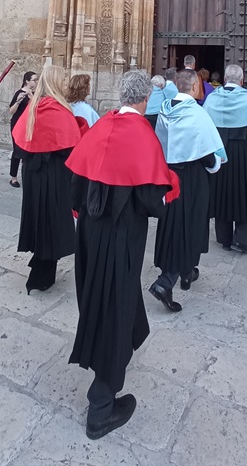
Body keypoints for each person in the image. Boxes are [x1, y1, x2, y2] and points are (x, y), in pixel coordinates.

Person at [66, 70, 180, 440]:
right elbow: (152, 200)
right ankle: (101, 405)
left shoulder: (101, 127)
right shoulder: (142, 135)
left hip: (89, 234)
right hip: (120, 239)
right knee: (116, 308)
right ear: (146, 99)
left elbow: (76, 184)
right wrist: (171, 191)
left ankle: (105, 369)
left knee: (103, 302)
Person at [151, 68, 226, 311]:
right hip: (192, 178)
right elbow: (207, 153)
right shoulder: (197, 112)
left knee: (173, 222)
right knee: (190, 224)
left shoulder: (165, 109)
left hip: (169, 175)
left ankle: (187, 271)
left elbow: (161, 142)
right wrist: (215, 164)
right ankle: (166, 281)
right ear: (194, 87)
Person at [12, 65, 84, 293]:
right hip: (53, 176)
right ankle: (41, 273)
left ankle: (41, 260)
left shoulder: (36, 106)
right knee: (51, 220)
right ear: (54, 82)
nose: (66, 83)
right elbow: (69, 145)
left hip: (33, 174)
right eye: (63, 79)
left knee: (38, 216)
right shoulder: (57, 109)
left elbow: (22, 139)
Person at [203, 65, 247, 252]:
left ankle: (224, 238)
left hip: (219, 151)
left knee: (220, 192)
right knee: (244, 192)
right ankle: (240, 239)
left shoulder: (213, 97)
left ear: (224, 79)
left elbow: (205, 123)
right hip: (243, 153)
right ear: (242, 80)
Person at [8, 70, 38, 187]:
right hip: (17, 124)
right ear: (27, 81)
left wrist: (31, 97)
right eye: (34, 80)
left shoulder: (35, 94)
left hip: (29, 125)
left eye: (36, 80)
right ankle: (13, 177)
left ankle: (27, 175)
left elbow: (36, 109)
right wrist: (18, 101)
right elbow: (11, 110)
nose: (36, 82)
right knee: (17, 150)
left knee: (28, 151)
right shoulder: (19, 92)